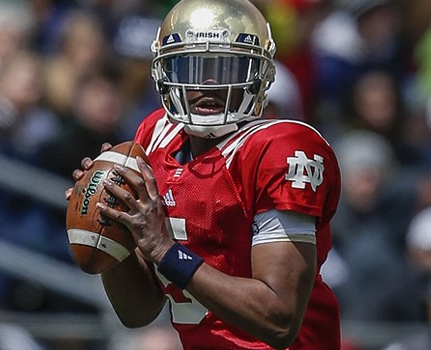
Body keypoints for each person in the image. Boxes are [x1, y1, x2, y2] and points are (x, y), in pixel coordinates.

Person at [66, 0, 342, 348]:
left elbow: (279, 317)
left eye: (226, 68)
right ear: (165, 72)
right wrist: (110, 229)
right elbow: (138, 312)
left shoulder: (282, 149)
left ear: (259, 74)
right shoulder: (154, 136)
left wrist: (165, 250)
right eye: (192, 67)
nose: (208, 84)